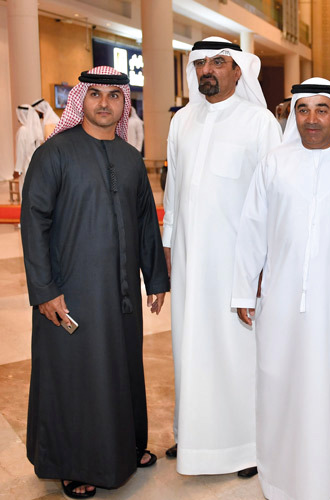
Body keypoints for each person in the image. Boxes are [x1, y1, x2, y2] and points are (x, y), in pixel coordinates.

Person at [20, 66, 169, 499]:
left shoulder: (130, 158)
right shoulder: (54, 153)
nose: (105, 103)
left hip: (119, 292)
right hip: (71, 292)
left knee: (121, 367)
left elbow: (145, 222)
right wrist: (45, 290)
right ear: (80, 100)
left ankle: (124, 447)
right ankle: (72, 462)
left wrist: (154, 278)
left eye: (114, 96)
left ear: (125, 104)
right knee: (76, 374)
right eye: (95, 94)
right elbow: (34, 222)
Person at [231, 77, 330, 500]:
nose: (311, 119)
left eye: (321, 109)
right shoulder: (274, 163)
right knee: (279, 383)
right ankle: (280, 473)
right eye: (303, 109)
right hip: (281, 300)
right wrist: (243, 290)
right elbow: (251, 231)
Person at [162, 36, 282, 478]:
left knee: (235, 352)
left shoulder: (259, 122)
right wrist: (169, 245)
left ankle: (246, 446)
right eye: (200, 64)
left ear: (237, 70)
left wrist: (266, 262)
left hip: (237, 263)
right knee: (188, 347)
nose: (207, 70)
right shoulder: (182, 121)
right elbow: (174, 189)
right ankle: (194, 436)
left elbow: (274, 198)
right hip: (190, 261)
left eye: (217, 62)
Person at [13, 104, 42, 191]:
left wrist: (18, 170)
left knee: (25, 193)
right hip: (35, 168)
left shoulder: (23, 130)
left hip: (26, 169)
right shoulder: (35, 130)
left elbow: (21, 152)